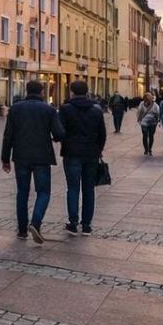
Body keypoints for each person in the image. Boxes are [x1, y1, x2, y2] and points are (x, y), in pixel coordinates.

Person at [1, 80, 65, 244]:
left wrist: (5, 159)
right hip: (42, 157)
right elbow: (58, 133)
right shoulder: (49, 110)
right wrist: (55, 137)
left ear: (27, 90)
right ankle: (35, 223)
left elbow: (8, 135)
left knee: (22, 192)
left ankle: (22, 231)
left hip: (21, 156)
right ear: (42, 92)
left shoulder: (15, 109)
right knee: (43, 192)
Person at [59, 81, 107, 235]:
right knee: (89, 189)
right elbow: (102, 134)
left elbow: (60, 131)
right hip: (91, 153)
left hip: (71, 153)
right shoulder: (96, 110)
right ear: (87, 92)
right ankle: (86, 225)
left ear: (72, 92)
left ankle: (73, 223)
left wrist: (64, 141)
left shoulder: (65, 109)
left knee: (73, 188)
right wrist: (98, 149)